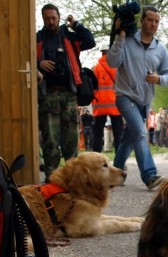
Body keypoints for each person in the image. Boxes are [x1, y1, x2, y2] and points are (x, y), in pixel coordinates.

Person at [107, 5, 168, 189]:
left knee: (130, 137)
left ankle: (116, 171)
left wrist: (159, 78)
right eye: (150, 20)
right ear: (142, 20)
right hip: (125, 96)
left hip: (144, 102)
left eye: (157, 21)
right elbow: (112, 62)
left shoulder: (160, 49)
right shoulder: (127, 40)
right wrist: (119, 37)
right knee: (140, 133)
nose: (153, 24)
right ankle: (150, 175)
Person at [36, 3, 95, 181]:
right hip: (48, 94)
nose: (51, 21)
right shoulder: (37, 39)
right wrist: (39, 63)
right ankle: (51, 178)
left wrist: (75, 24)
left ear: (59, 18)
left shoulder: (69, 37)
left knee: (71, 139)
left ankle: (72, 178)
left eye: (54, 18)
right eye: (47, 18)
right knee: (50, 139)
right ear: (43, 19)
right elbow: (23, 55)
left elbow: (90, 41)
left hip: (69, 94)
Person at [91, 48, 123, 154]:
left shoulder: (95, 68)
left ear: (102, 53)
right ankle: (119, 161)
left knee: (98, 134)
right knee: (118, 134)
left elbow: (92, 87)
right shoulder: (117, 68)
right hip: (115, 105)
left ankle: (96, 159)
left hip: (99, 106)